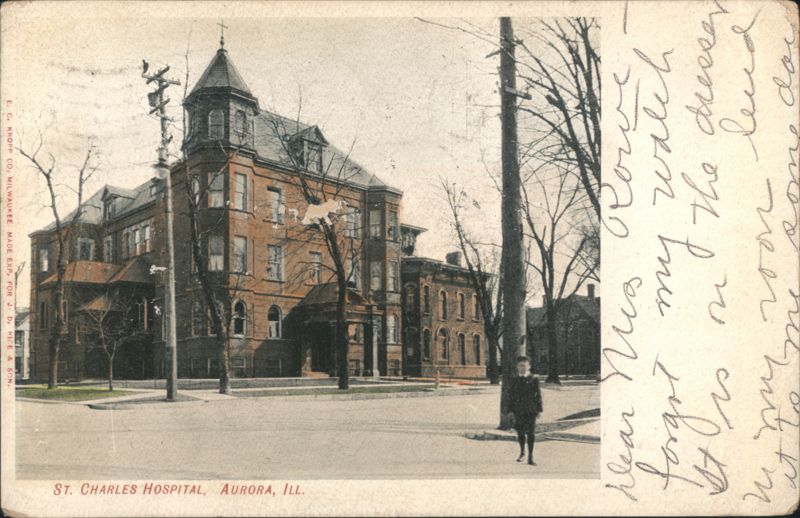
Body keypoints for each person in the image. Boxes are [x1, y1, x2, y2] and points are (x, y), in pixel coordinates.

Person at [509, 355, 543, 465]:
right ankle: (522, 452)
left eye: (524, 365)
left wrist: (539, 410)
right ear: (517, 367)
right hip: (518, 410)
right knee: (521, 432)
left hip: (531, 410)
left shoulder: (533, 379)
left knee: (531, 433)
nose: (522, 368)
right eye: (520, 366)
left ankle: (531, 456)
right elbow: (511, 396)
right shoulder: (514, 379)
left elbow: (538, 395)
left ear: (529, 367)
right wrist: (511, 411)